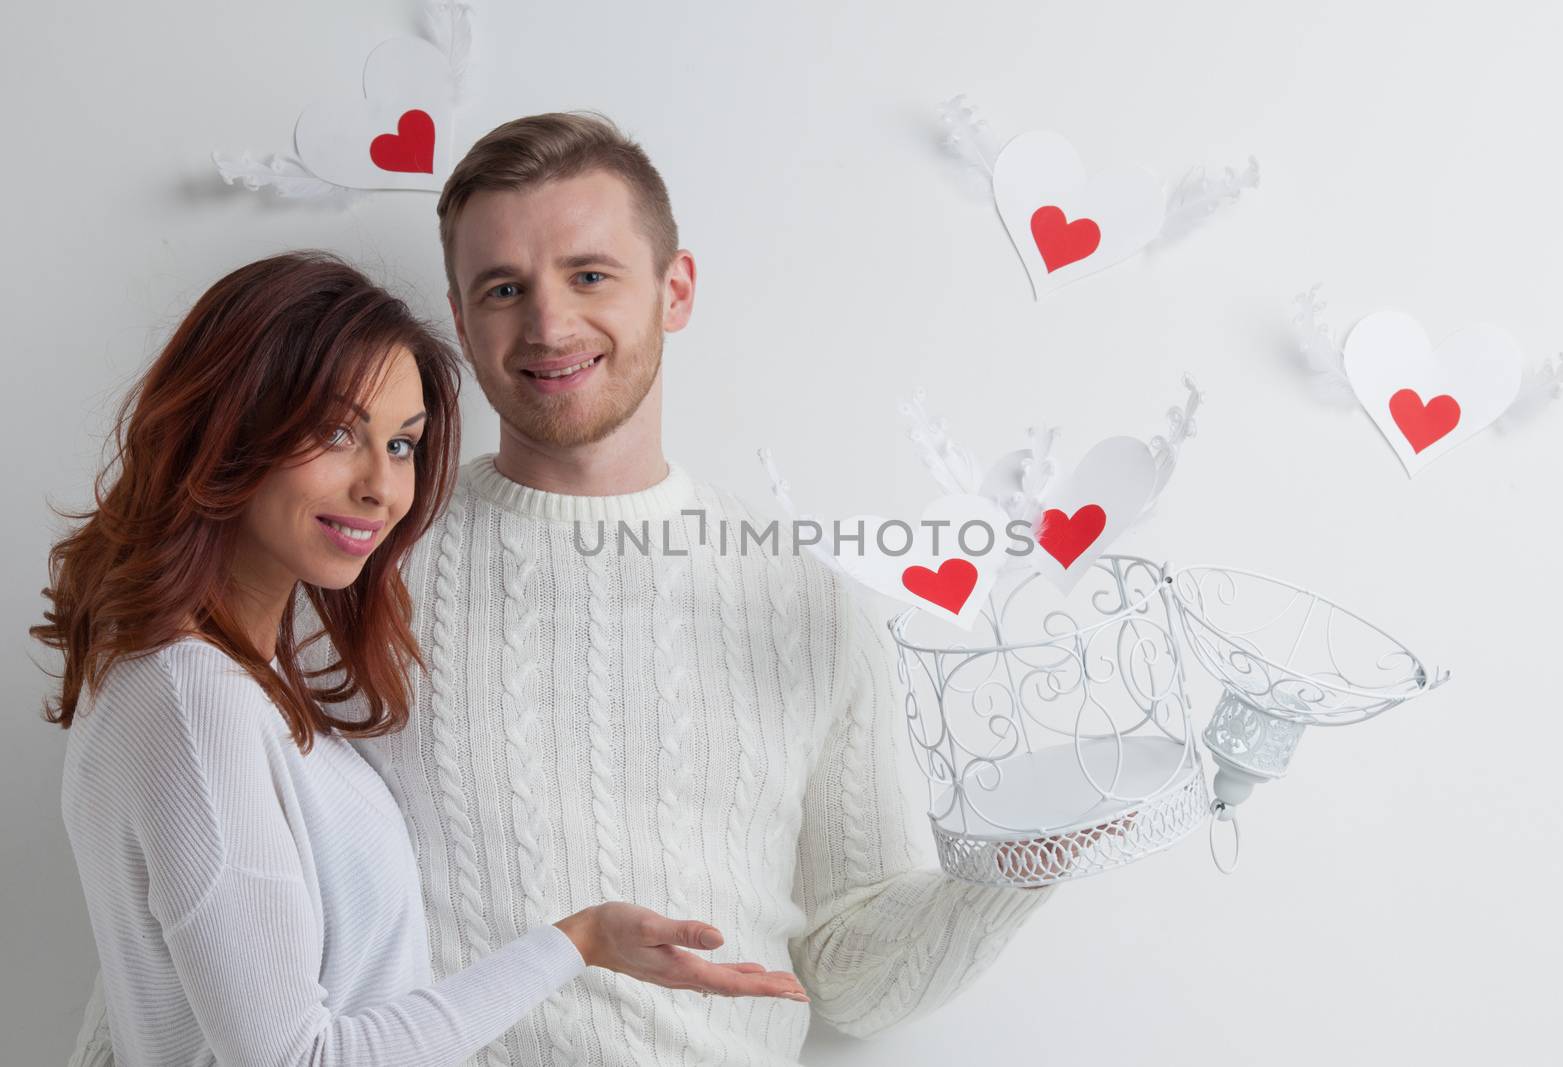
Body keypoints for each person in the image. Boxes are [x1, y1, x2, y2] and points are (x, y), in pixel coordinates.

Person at [68, 112, 1056, 1067]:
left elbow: (850, 980)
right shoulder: (349, 569)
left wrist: (1028, 859)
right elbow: (197, 922)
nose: (547, 322)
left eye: (590, 273)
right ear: (459, 315)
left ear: (676, 290)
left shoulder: (805, 605)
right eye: (503, 287)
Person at [37, 252, 806, 1067]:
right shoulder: (194, 698)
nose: (381, 487)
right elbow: (300, 1059)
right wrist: (572, 942)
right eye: (337, 432)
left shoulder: (222, 681)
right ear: (228, 429)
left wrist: (585, 939)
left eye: (402, 444)